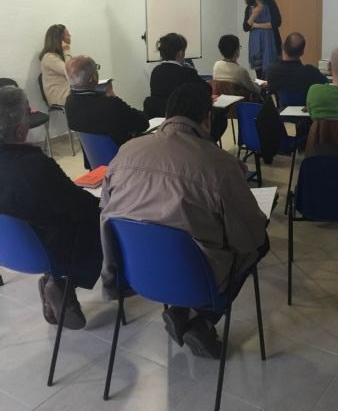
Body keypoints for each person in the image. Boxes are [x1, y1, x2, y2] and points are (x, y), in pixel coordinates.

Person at [101, 83, 269, 358]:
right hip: (198, 278)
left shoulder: (125, 153)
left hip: (137, 272)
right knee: (258, 245)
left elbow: (106, 213)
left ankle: (182, 311)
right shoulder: (220, 165)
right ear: (207, 119)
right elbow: (250, 236)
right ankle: (202, 319)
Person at [0, 86, 102, 330]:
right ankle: (64, 283)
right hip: (48, 246)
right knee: (102, 220)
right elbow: (79, 205)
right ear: (21, 129)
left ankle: (58, 282)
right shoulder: (36, 165)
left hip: (11, 249)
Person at [145, 32, 227, 141]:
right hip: (185, 120)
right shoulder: (186, 72)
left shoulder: (156, 72)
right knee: (220, 116)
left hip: (161, 121)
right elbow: (207, 90)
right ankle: (206, 146)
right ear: (180, 53)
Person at [65, 55, 148, 147]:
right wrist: (112, 96)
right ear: (93, 78)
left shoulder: (69, 102)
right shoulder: (110, 104)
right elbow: (143, 123)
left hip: (93, 155)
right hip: (123, 153)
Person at [266, 32, 328, 97]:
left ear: (283, 47)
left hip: (281, 104)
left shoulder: (272, 71)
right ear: (302, 53)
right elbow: (325, 84)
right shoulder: (311, 73)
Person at [243, 0, 282, 79]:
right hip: (256, 45)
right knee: (259, 76)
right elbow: (246, 27)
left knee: (273, 74)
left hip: (272, 44)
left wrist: (256, 25)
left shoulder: (271, 4)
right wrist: (254, 14)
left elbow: (277, 22)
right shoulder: (249, 7)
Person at [213, 34, 261, 98]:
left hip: (220, 102)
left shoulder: (216, 65)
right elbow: (255, 89)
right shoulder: (241, 71)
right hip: (239, 103)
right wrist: (260, 86)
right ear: (236, 51)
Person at [39, 23, 72, 106]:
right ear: (60, 39)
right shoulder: (49, 57)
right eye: (67, 34)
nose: (70, 36)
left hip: (69, 96)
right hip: (60, 100)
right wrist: (67, 51)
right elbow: (69, 71)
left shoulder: (60, 56)